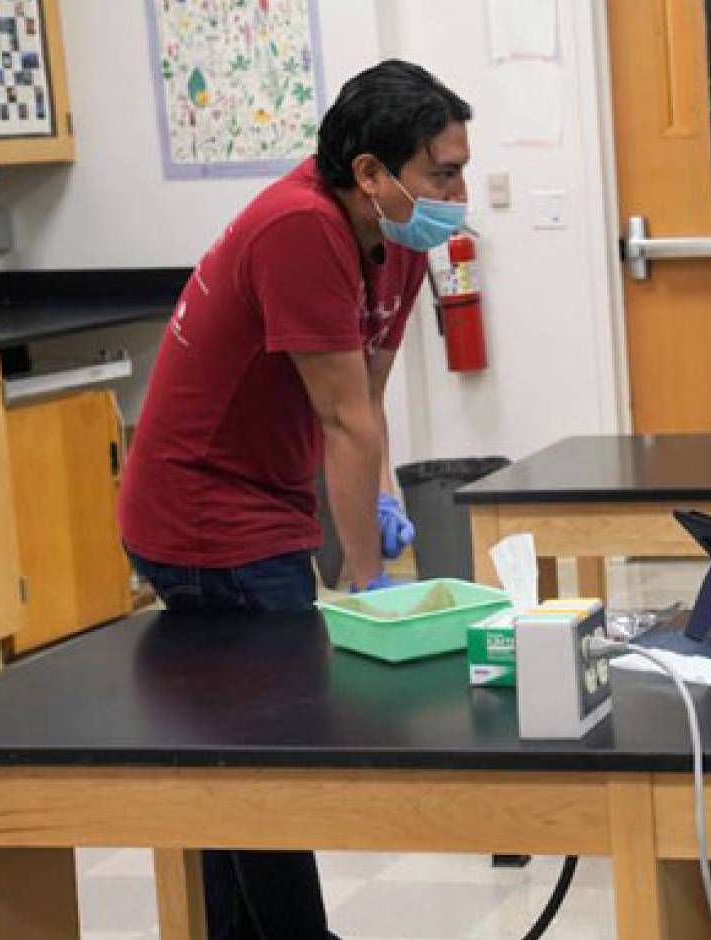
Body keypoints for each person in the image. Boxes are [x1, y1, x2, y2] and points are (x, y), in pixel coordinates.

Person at [117, 60, 472, 939]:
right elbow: (341, 422)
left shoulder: (403, 241)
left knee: (239, 750)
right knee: (267, 758)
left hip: (268, 501)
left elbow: (367, 407)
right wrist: (362, 578)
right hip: (202, 512)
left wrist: (378, 506)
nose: (458, 191)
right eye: (443, 172)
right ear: (370, 172)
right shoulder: (298, 228)